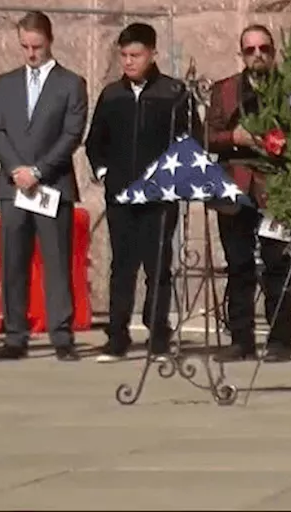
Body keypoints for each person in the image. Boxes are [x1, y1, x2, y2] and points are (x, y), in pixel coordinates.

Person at [85, 23, 202, 363]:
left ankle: (159, 337)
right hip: (121, 195)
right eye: (123, 55)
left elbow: (189, 139)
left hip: (159, 197)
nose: (129, 62)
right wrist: (106, 172)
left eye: (135, 55)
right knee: (122, 266)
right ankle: (117, 336)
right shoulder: (112, 95)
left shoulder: (173, 93)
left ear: (153, 54)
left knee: (158, 267)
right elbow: (96, 142)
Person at [0, 11, 89, 362]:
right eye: (25, 46)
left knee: (57, 262)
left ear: (50, 41)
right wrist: (15, 168)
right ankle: (15, 335)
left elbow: (71, 133)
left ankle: (62, 335)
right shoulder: (5, 82)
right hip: (14, 186)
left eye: (37, 47)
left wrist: (39, 171)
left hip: (51, 185)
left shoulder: (70, 83)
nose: (31, 53)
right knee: (13, 261)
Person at [205, 24, 291, 363]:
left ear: (273, 52)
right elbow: (207, 136)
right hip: (235, 186)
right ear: (241, 54)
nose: (257, 55)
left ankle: (280, 340)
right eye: (250, 50)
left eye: (264, 49)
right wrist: (234, 139)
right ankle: (241, 339)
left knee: (277, 263)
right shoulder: (225, 90)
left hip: (276, 187)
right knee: (239, 264)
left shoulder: (288, 89)